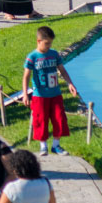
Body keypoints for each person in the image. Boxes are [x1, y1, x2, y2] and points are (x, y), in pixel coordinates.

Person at [23, 25, 79, 156]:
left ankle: (56, 145)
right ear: (39, 41)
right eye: (46, 43)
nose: (49, 46)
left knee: (59, 118)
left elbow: (62, 70)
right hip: (40, 95)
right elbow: (26, 76)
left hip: (55, 94)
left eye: (50, 43)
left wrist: (70, 83)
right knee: (41, 120)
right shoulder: (32, 57)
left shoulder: (54, 54)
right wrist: (25, 94)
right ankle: (43, 146)